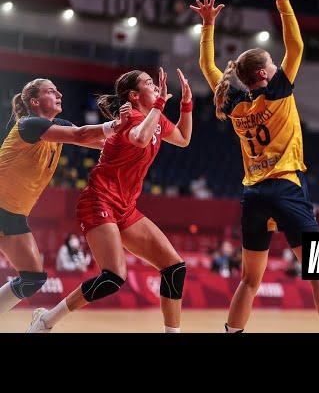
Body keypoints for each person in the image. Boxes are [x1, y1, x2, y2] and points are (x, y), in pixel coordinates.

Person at [192, 0, 319, 333]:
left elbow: (208, 67)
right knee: (318, 272)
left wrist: (208, 26)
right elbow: (296, 44)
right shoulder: (277, 92)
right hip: (286, 188)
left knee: (250, 280)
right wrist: (283, 1)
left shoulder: (233, 105)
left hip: (254, 194)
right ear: (263, 74)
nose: (279, 66)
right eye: (273, 64)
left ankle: (231, 332)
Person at [27, 67, 193, 333]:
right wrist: (160, 104)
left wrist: (186, 104)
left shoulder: (156, 119)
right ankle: (46, 320)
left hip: (126, 208)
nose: (155, 87)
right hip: (98, 200)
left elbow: (184, 139)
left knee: (175, 268)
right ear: (134, 95)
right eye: (149, 84)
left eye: (154, 84)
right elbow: (139, 139)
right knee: (113, 277)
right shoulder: (129, 120)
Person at [0, 78, 130, 318]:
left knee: (32, 279)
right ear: (35, 101)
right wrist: (116, 124)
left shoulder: (57, 126)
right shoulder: (29, 124)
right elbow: (81, 135)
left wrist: (136, 137)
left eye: (58, 90)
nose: (59, 93)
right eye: (51, 91)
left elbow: (100, 142)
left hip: (13, 216)